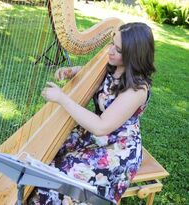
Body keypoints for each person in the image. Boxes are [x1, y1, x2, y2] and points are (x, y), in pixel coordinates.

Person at [27, 22, 156, 205]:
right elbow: (97, 75)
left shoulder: (137, 89)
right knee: (43, 156)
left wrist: (63, 98)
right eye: (112, 44)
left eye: (118, 50)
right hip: (94, 135)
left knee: (56, 181)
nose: (110, 51)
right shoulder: (112, 64)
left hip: (117, 148)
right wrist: (73, 71)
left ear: (134, 55)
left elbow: (100, 126)